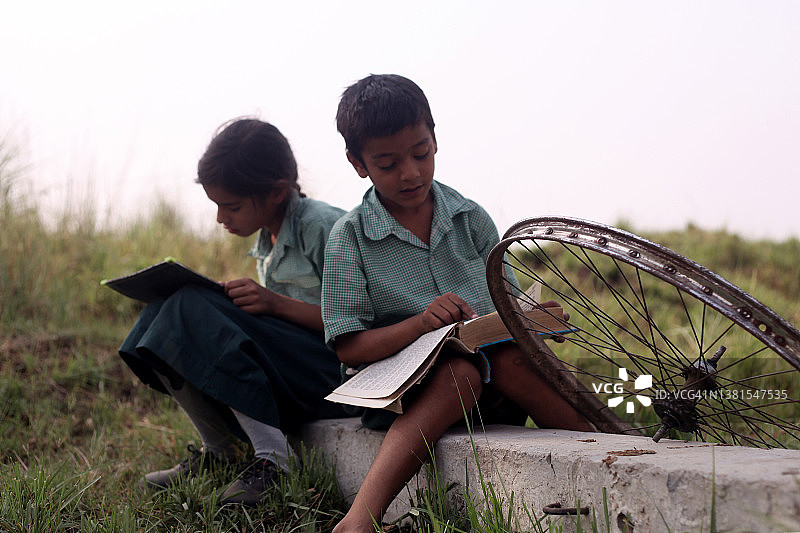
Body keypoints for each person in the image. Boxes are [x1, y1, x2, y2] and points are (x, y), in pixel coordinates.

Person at [321, 74, 594, 532]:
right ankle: (359, 521)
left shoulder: (470, 219)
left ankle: (609, 447)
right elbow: (348, 347)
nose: (409, 172)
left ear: (434, 139)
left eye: (420, 153)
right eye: (387, 164)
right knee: (458, 374)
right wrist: (420, 326)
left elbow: (504, 309)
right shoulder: (349, 238)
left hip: (494, 382)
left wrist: (533, 324)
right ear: (358, 164)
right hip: (400, 395)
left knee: (510, 359)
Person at [119, 118, 347, 506]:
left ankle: (275, 462)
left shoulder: (325, 227)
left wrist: (273, 304)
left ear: (276, 192)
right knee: (164, 310)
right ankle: (220, 449)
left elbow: (357, 323)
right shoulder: (267, 240)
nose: (221, 218)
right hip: (296, 369)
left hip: (337, 376)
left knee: (192, 306)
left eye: (232, 206)